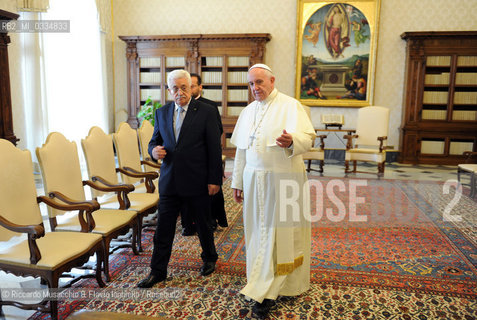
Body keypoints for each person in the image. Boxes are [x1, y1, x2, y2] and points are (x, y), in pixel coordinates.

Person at [231, 64, 315, 318]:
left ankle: (270, 291)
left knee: (281, 236)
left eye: (259, 82)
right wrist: (237, 182)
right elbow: (241, 151)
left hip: (283, 181)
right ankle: (259, 279)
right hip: (254, 181)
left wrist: (292, 141)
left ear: (272, 80)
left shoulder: (291, 105)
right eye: (251, 84)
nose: (255, 88)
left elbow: (308, 138)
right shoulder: (247, 112)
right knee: (258, 233)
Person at [137, 69, 222, 288]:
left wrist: (215, 180)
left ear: (191, 88)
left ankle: (210, 258)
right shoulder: (162, 112)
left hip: (198, 180)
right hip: (169, 181)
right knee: (163, 228)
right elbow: (153, 142)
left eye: (184, 87)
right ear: (169, 90)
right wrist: (153, 152)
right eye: (175, 88)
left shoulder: (206, 111)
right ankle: (158, 271)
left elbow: (214, 148)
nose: (180, 92)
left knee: (203, 224)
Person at [178, 73, 227, 236]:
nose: (189, 89)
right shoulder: (179, 106)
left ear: (200, 87)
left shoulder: (209, 106)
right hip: (186, 160)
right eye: (187, 86)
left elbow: (217, 130)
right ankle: (188, 223)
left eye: (192, 86)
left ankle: (211, 220)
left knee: (208, 192)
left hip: (205, 155)